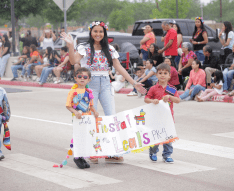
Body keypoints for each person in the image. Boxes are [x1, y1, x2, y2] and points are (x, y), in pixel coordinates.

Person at [62, 21, 146, 163]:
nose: (98, 34)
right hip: (89, 85)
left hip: (106, 84)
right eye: (95, 31)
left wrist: (134, 83)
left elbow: (119, 67)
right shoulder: (84, 47)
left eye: (101, 31)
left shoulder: (110, 48)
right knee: (88, 118)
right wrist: (70, 46)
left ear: (104, 33)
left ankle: (111, 151)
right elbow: (73, 60)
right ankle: (91, 151)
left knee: (110, 118)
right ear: (91, 32)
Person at [145, 63, 180, 163]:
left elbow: (177, 100)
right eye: (160, 73)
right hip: (156, 117)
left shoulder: (171, 89)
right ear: (156, 75)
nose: (162, 75)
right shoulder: (153, 88)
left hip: (168, 118)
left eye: (165, 73)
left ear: (169, 76)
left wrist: (170, 97)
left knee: (168, 137)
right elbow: (146, 99)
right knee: (155, 136)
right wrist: (153, 101)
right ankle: (153, 152)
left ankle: (167, 155)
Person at [66, 67, 99, 169]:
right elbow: (68, 105)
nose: (82, 79)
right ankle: (77, 157)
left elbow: (91, 105)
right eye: (79, 76)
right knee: (78, 137)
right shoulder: (73, 91)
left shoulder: (89, 92)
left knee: (86, 137)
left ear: (89, 80)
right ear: (76, 78)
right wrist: (75, 112)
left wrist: (95, 112)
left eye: (85, 77)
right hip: (78, 119)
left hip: (87, 119)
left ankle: (82, 157)